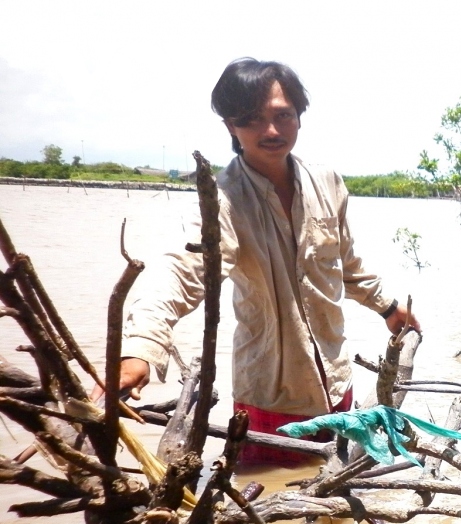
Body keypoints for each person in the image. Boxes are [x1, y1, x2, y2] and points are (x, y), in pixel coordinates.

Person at [116, 58, 419, 464]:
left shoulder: (326, 181)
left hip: (337, 382)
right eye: (253, 119)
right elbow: (181, 273)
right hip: (270, 399)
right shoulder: (222, 200)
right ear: (230, 125)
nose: (272, 131)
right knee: (268, 504)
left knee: (334, 489)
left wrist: (387, 306)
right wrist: (140, 346)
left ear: (299, 118)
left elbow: (346, 262)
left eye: (283, 116)